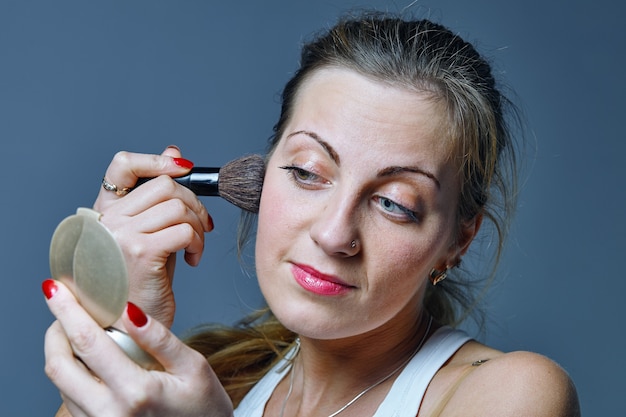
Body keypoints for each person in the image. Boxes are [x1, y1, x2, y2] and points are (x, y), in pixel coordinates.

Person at [42, 12, 580, 417]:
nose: (333, 233)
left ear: (459, 240)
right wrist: (123, 326)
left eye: (394, 203)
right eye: (306, 172)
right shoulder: (210, 380)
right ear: (264, 168)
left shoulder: (508, 394)